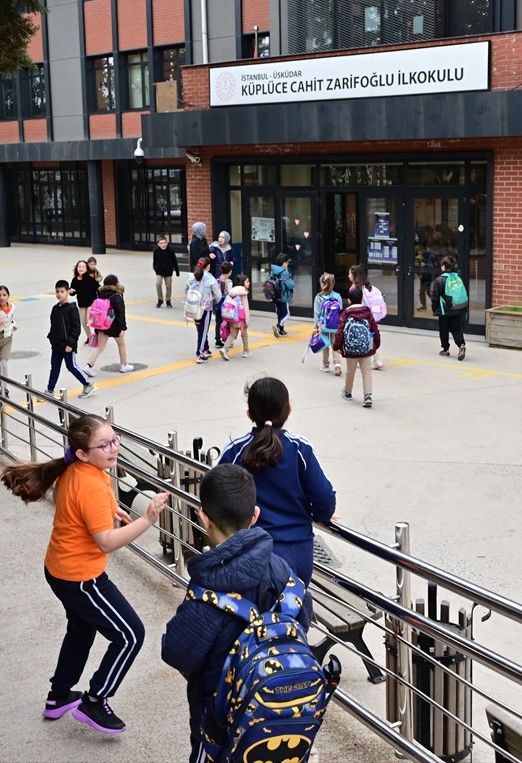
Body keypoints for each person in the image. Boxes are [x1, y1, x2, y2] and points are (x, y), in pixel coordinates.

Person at [0, 414, 169, 734]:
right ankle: (95, 700)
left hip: (60, 569)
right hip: (80, 578)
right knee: (130, 635)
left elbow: (77, 507)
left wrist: (109, 510)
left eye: (115, 440)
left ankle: (59, 696)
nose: (113, 448)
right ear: (82, 453)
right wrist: (146, 519)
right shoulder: (91, 482)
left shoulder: (77, 470)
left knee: (81, 630)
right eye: (104, 445)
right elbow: (106, 542)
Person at [161, 465, 312, 763]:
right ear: (255, 515)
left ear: (203, 517)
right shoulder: (283, 571)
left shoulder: (206, 591)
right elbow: (303, 620)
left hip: (219, 720)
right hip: (282, 716)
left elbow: (177, 653)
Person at [217, 377, 336, 585]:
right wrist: (322, 515)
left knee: (259, 605)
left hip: (252, 553)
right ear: (289, 410)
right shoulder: (300, 448)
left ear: (249, 414)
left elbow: (215, 496)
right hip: (299, 553)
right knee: (295, 603)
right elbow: (324, 498)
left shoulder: (235, 451)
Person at [334, 284, 380, 408]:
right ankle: (368, 396)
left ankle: (348, 392)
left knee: (350, 370)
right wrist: (376, 344)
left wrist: (337, 346)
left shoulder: (346, 314)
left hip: (350, 348)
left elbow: (340, 331)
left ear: (349, 300)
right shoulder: (367, 312)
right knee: (366, 371)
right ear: (362, 299)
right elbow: (375, 329)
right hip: (366, 348)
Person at [47, 280, 95, 399]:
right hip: (57, 345)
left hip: (68, 345)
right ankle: (50, 390)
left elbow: (76, 328)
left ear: (68, 292)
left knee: (71, 366)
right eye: (57, 291)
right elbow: (53, 326)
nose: (59, 294)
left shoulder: (72, 308)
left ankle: (88, 384)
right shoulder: (55, 308)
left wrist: (71, 344)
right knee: (54, 367)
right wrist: (51, 338)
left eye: (62, 291)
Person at [85, 274, 132, 375]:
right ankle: (124, 365)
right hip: (114, 325)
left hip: (102, 325)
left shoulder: (100, 294)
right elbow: (120, 313)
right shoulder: (117, 296)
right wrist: (123, 328)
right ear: (116, 283)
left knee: (100, 347)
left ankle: (88, 365)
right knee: (121, 344)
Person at [430, 254, 467, 362]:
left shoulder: (439, 280)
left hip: (445, 311)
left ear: (443, 267)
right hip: (457, 308)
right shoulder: (457, 277)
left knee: (444, 330)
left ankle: (446, 349)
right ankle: (461, 345)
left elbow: (435, 297)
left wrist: (434, 309)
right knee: (457, 328)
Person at [348, 263, 385, 369]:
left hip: (361, 316)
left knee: (362, 337)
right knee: (369, 337)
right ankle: (375, 359)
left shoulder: (354, 288)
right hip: (371, 315)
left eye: (349, 273)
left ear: (354, 275)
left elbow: (352, 303)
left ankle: (376, 359)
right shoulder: (367, 286)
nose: (348, 275)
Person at [185, 260, 221, 364]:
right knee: (203, 331)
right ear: (208, 266)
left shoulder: (191, 277)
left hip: (193, 307)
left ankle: (206, 348)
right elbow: (218, 296)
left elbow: (186, 290)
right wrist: (213, 302)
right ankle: (200, 354)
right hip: (205, 308)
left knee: (200, 329)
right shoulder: (210, 279)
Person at [313, 272, 343, 376]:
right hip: (335, 325)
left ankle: (325, 365)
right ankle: (337, 364)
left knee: (325, 344)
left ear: (322, 284)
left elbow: (317, 314)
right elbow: (340, 312)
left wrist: (315, 327)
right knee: (335, 344)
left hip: (324, 325)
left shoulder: (319, 297)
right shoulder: (337, 296)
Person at [220, 272, 251, 360]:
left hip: (231, 316)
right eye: (247, 281)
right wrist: (247, 321)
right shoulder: (243, 293)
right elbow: (246, 308)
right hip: (241, 318)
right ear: (242, 282)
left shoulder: (232, 291)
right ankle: (246, 351)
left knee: (232, 334)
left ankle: (224, 349)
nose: (249, 283)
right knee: (244, 334)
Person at [71, 259, 100, 343]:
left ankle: (99, 333)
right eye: (79, 267)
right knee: (83, 322)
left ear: (86, 269)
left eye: (83, 267)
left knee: (88, 320)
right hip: (82, 303)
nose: (81, 268)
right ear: (77, 268)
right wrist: (71, 291)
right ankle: (90, 337)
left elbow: (98, 288)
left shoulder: (90, 279)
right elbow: (73, 291)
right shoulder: (75, 280)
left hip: (91, 302)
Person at [152, 236, 180, 309]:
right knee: (158, 284)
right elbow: (154, 261)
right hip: (159, 271)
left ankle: (168, 300)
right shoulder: (156, 251)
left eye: (164, 243)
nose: (163, 245)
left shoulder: (171, 251)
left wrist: (177, 271)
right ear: (158, 244)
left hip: (168, 271)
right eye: (161, 243)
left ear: (167, 243)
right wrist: (156, 269)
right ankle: (160, 299)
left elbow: (174, 261)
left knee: (168, 286)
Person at [270, 253, 294, 337]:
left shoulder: (273, 271)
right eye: (287, 262)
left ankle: (281, 330)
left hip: (275, 296)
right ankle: (278, 326)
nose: (287, 264)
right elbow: (290, 285)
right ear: (284, 263)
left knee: (279, 313)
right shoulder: (284, 272)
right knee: (287, 314)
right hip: (283, 297)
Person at [213, 260, 234, 348]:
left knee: (218, 322)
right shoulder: (229, 282)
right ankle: (226, 339)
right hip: (226, 306)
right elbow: (230, 293)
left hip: (217, 304)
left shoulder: (217, 279)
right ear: (230, 272)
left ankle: (218, 340)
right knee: (227, 322)